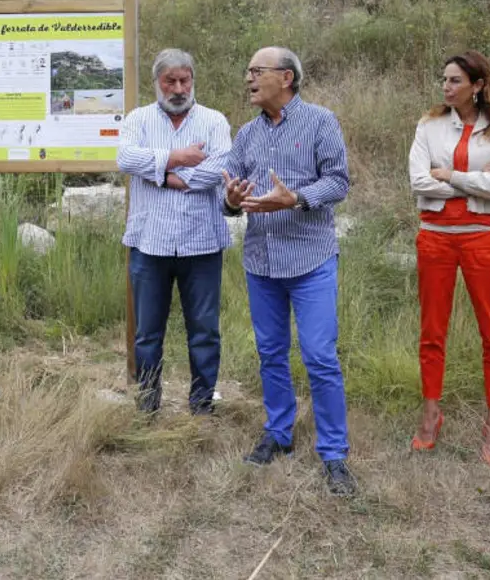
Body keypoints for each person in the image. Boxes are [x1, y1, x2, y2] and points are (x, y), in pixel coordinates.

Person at [222, 46, 356, 496]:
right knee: (270, 352)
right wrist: (231, 200)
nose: (248, 78)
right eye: (247, 71)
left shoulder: (320, 122)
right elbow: (229, 192)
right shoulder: (246, 134)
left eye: (256, 71)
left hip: (310, 260)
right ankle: (278, 433)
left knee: (319, 355)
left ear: (286, 77)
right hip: (262, 261)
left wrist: (295, 198)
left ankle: (333, 453)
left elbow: (338, 181)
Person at [407, 50, 490, 466]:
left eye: (455, 80)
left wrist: (450, 176)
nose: (446, 86)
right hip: (435, 239)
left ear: (478, 85)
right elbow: (419, 182)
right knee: (432, 331)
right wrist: (475, 182)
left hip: (485, 239)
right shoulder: (429, 125)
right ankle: (430, 414)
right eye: (444, 79)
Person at [117, 49, 232, 414]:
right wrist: (177, 159)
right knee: (148, 334)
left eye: (185, 80)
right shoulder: (138, 119)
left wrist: (161, 176)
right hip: (149, 243)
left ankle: (201, 407)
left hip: (202, 243)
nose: (179, 89)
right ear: (157, 82)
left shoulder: (214, 121)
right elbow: (125, 158)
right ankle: (148, 406)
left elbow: (220, 167)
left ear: (193, 80)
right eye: (170, 81)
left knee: (204, 332)